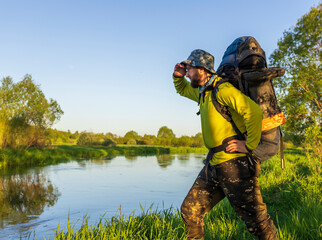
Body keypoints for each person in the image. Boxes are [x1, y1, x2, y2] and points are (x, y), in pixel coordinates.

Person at [173, 49, 278, 240]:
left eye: (189, 68)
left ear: (203, 69)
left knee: (258, 224)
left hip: (235, 166)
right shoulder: (203, 92)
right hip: (213, 165)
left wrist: (248, 146)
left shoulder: (223, 90)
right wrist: (177, 76)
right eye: (186, 69)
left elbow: (253, 112)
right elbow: (181, 89)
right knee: (190, 211)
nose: (187, 72)